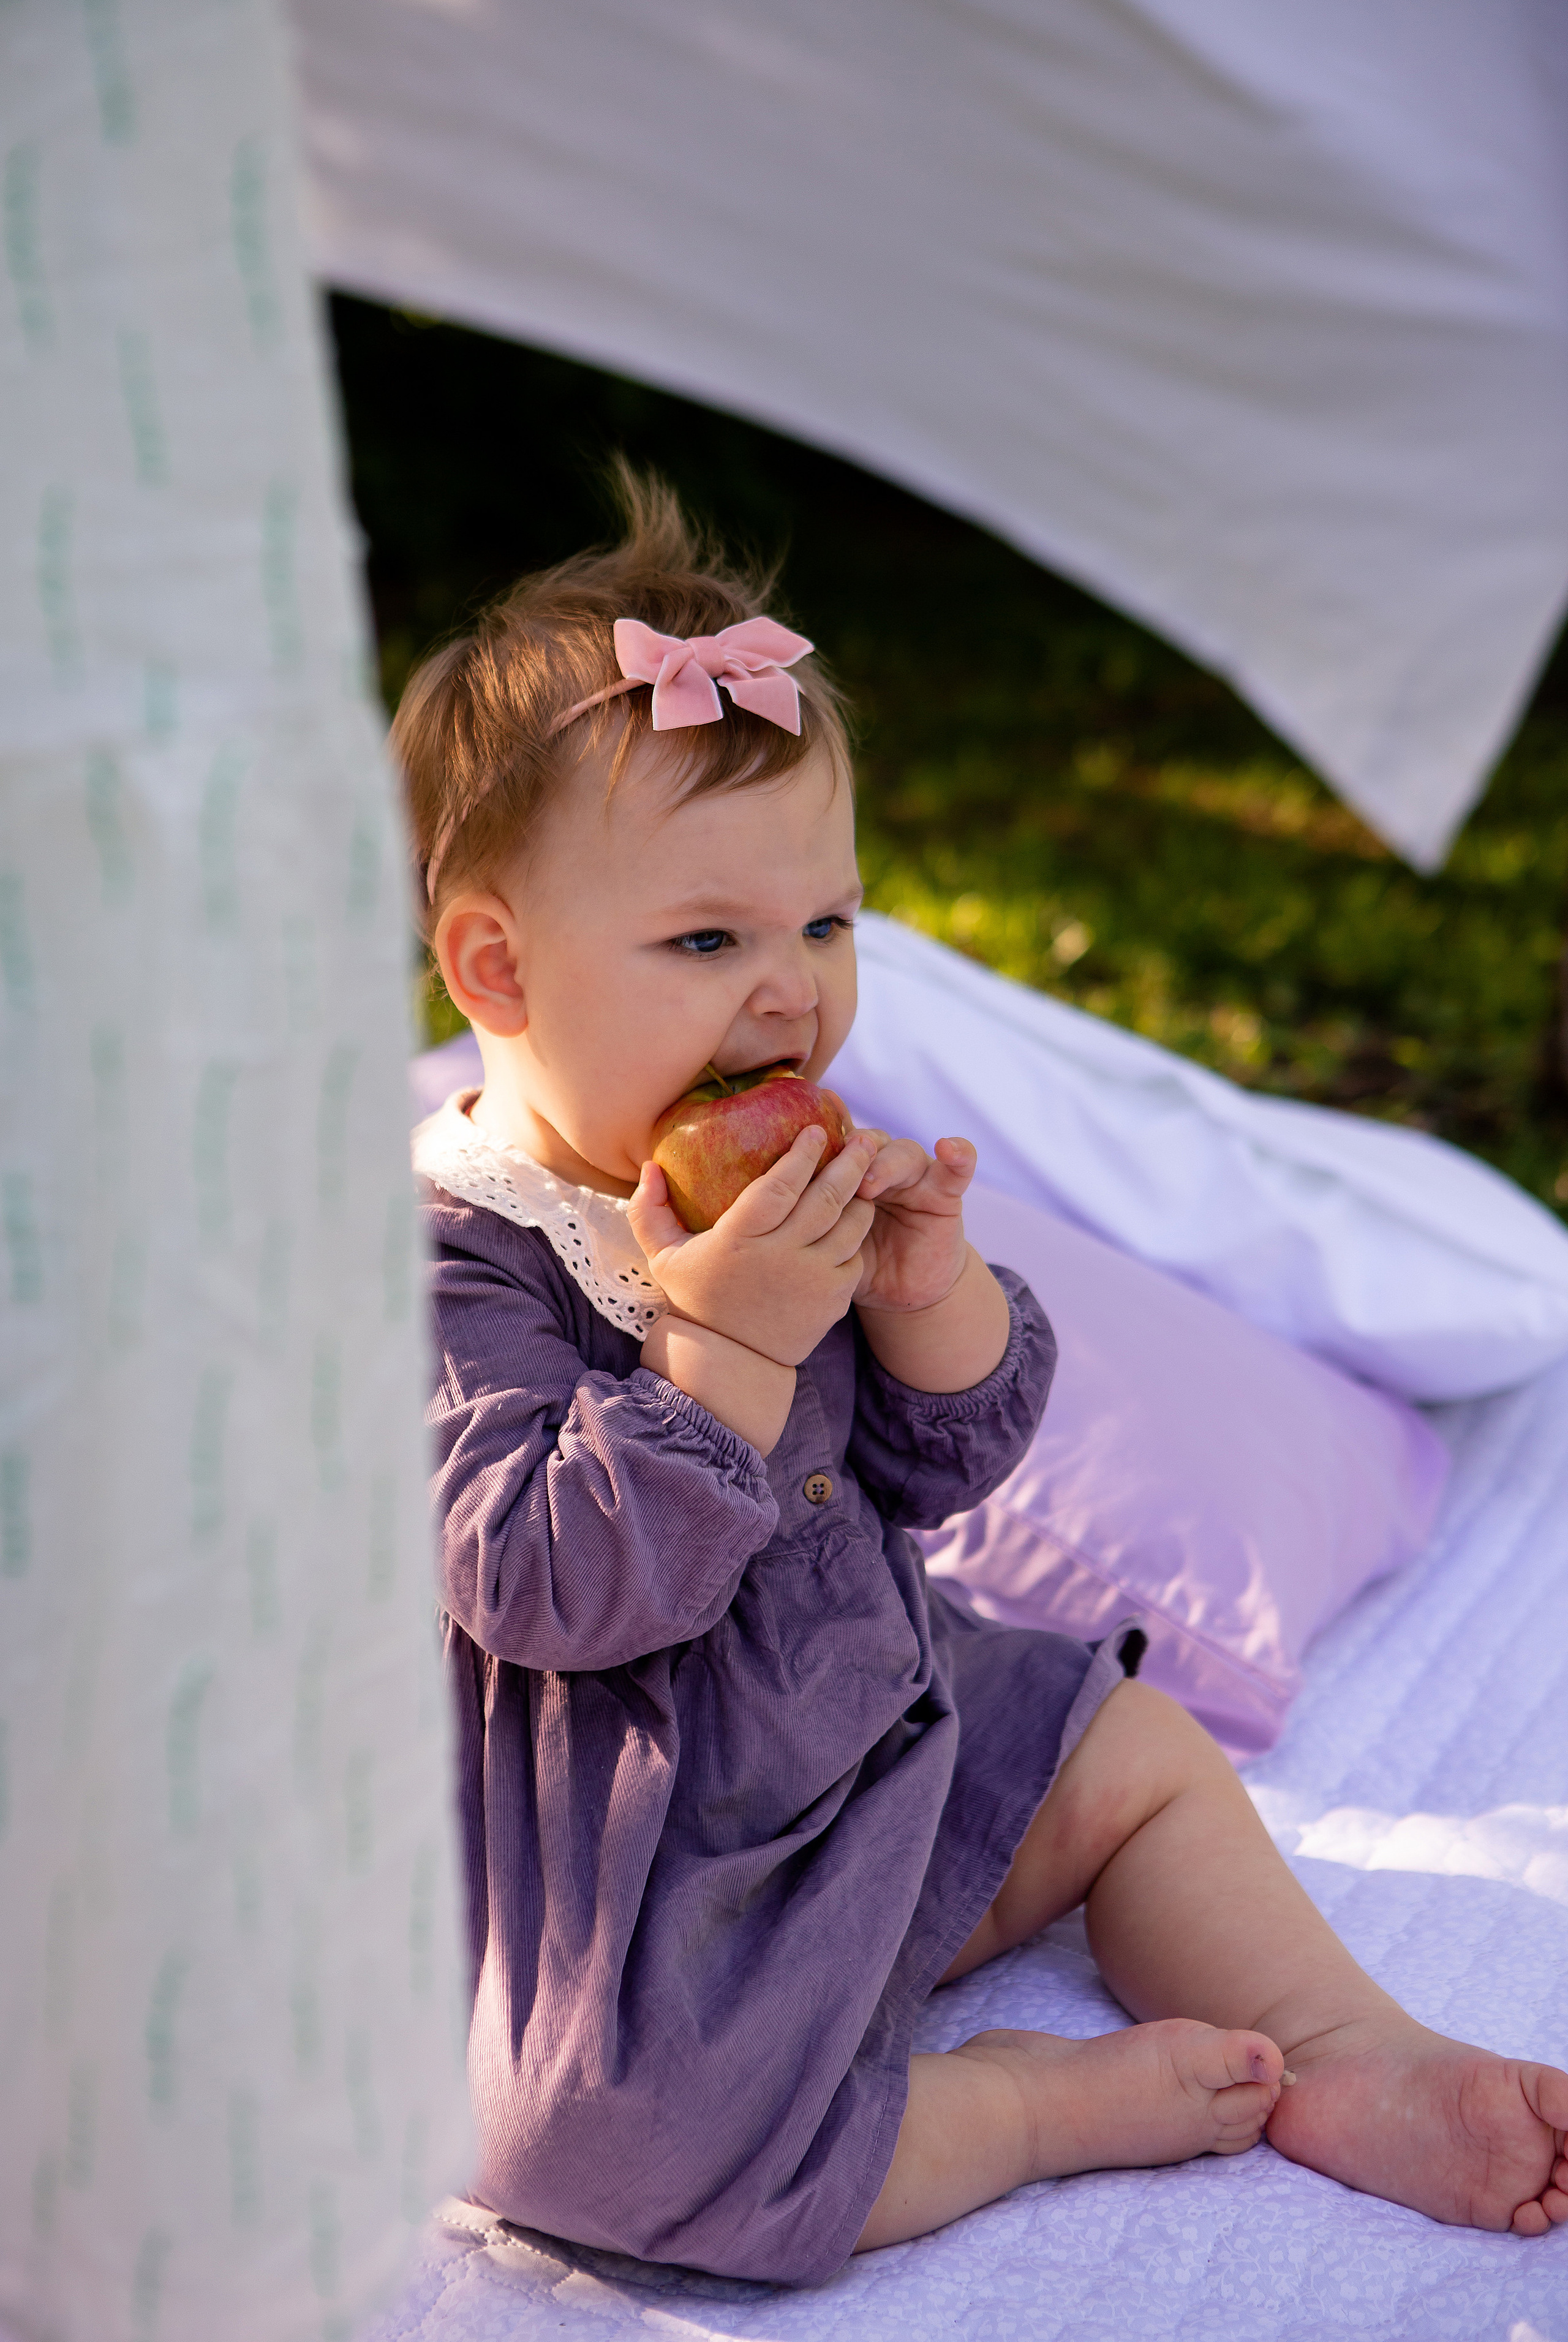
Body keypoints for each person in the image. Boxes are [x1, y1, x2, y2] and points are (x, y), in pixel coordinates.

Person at [398, 474, 1568, 2285]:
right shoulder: (452, 1264)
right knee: (586, 2144)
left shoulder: (789, 1171)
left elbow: (946, 1471)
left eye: (827, 926)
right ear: (496, 962)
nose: (788, 993)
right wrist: (717, 1352)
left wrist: (935, 1307)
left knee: (1130, 1751)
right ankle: (1019, 2107)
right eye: (709, 941)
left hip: (883, 1740)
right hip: (644, 1878)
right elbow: (541, 1585)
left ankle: (1357, 2056)